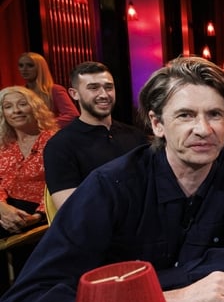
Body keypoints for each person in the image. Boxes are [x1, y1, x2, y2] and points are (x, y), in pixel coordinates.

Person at [0, 56, 224, 302]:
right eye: (185, 115)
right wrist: (161, 300)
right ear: (157, 123)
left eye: (215, 114)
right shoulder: (111, 185)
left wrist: (125, 284)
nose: (203, 129)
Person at [43, 61, 149, 210]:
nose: (104, 95)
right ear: (74, 94)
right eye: (93, 88)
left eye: (108, 87)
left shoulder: (136, 136)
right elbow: (69, 208)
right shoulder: (60, 145)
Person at [0, 86, 58, 237]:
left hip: (39, 213)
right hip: (4, 208)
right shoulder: (3, 144)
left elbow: (59, 185)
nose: (16, 110)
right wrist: (2, 207)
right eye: (8, 106)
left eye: (22, 104)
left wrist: (37, 216)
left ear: (35, 108)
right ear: (3, 114)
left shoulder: (55, 142)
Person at [17, 52, 79, 128]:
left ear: (40, 68)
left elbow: (72, 115)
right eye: (21, 65)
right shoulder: (19, 92)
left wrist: (44, 125)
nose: (24, 69)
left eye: (30, 65)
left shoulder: (55, 90)